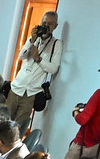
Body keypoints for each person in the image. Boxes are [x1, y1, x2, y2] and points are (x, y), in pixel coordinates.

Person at [9, 12, 64, 143]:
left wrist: (38, 58)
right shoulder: (34, 39)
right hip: (16, 87)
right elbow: (21, 56)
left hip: (31, 93)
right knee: (3, 121)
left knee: (17, 129)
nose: (46, 26)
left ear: (55, 26)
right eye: (44, 23)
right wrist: (31, 41)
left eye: (50, 24)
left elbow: (53, 68)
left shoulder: (56, 44)